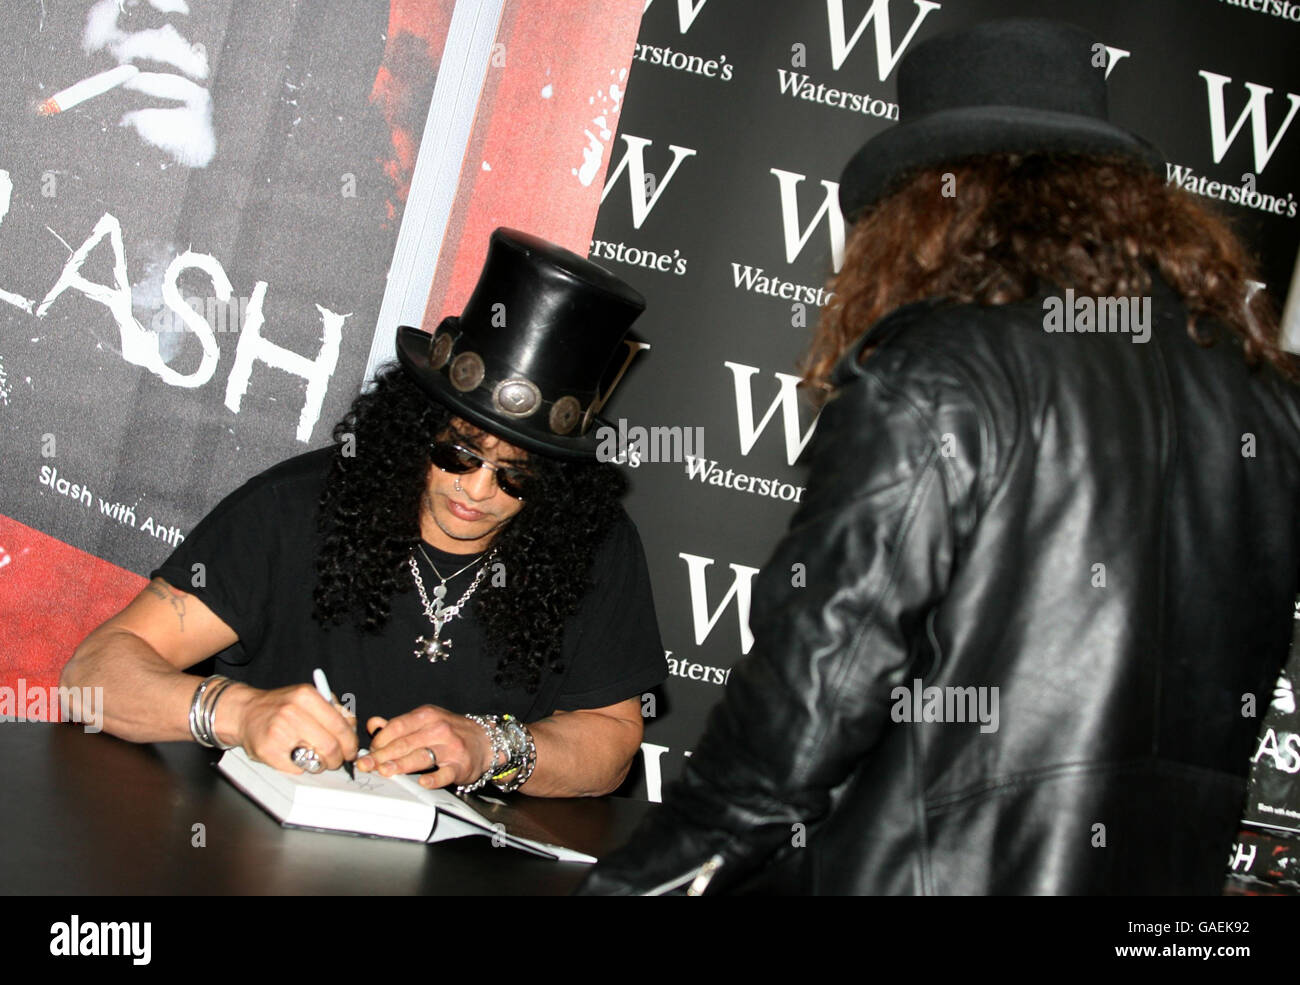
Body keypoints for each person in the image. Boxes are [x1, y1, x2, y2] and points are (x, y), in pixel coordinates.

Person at [579, 18, 1300, 894]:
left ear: (930, 202)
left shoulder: (942, 365)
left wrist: (633, 883)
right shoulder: (1270, 398)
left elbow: (814, 696)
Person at [62, 228, 666, 798]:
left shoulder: (593, 544)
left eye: (517, 476)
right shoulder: (295, 507)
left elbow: (611, 741)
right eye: (458, 454)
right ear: (413, 428)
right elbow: (92, 677)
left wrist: (491, 747)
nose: (479, 490)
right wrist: (239, 713)